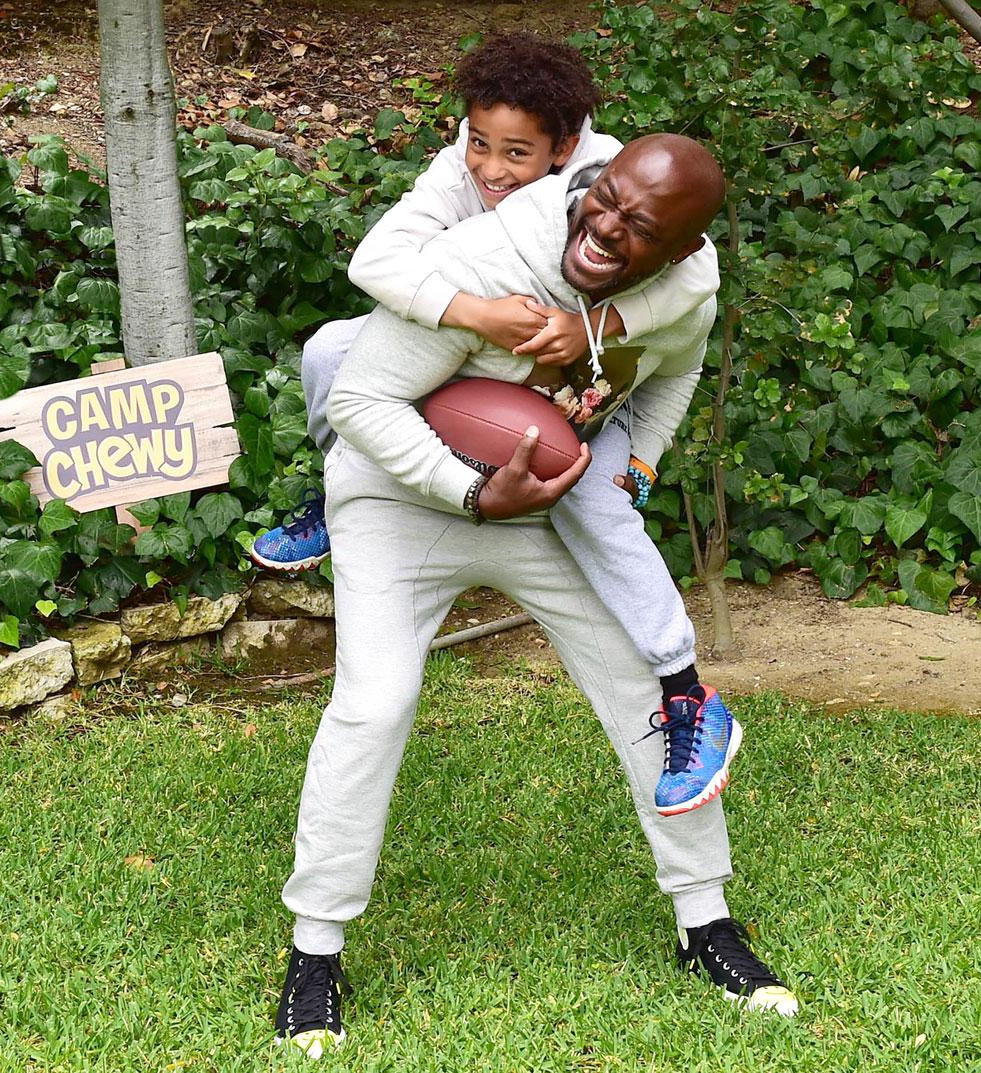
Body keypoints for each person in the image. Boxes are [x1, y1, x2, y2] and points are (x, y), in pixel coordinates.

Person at [272, 135, 797, 1060]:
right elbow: (358, 400)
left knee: (648, 688)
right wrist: (471, 490)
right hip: (404, 491)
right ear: (589, 182)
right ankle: (315, 950)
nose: (606, 228)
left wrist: (635, 462)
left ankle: (706, 922)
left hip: (548, 507)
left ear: (676, 255)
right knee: (373, 702)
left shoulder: (681, 293)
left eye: (641, 228)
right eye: (606, 201)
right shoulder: (484, 261)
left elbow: (674, 370)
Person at [252, 35, 727, 811]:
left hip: (569, 407)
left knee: (596, 503)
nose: (494, 168)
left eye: (518, 152)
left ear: (569, 152)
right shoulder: (466, 189)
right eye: (480, 143)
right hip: (457, 358)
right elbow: (372, 266)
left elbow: (692, 304)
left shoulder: (612, 176)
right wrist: (482, 314)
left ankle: (685, 692)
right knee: (335, 350)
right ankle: (331, 490)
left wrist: (600, 342)